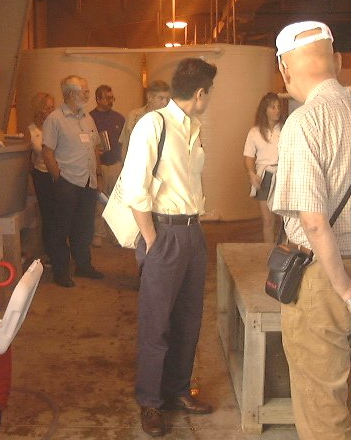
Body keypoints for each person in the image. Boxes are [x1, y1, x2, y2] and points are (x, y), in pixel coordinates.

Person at [272, 20, 351, 440]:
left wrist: (345, 289)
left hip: (324, 280)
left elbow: (313, 221)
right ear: (338, 61)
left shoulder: (303, 124)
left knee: (321, 403)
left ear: (284, 68)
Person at [121, 58, 217, 437]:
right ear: (200, 93)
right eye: (209, 92)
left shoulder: (192, 128)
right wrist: (152, 241)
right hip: (164, 233)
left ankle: (177, 391)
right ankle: (150, 400)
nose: (209, 98)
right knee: (156, 323)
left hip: (193, 234)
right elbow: (134, 188)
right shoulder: (154, 124)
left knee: (189, 320)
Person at [42, 75, 104, 288]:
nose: (88, 95)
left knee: (84, 227)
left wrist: (98, 174)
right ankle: (61, 272)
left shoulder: (87, 118)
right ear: (70, 94)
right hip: (67, 182)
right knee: (61, 229)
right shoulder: (55, 119)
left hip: (88, 183)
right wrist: (58, 178)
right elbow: (47, 152)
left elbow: (95, 147)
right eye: (84, 91)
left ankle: (83, 266)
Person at [243, 92, 283, 242]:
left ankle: (287, 256)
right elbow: (248, 156)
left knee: (287, 222)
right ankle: (269, 254)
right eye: (272, 107)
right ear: (264, 110)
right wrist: (252, 174)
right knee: (268, 221)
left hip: (283, 175)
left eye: (278, 107)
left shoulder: (285, 129)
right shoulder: (254, 132)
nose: (277, 110)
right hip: (265, 176)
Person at [89, 85, 125, 246]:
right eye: (107, 98)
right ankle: (98, 234)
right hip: (99, 166)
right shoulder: (89, 119)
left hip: (116, 165)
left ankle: (115, 233)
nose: (111, 101)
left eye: (112, 98)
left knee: (116, 201)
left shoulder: (119, 118)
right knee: (99, 201)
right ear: (98, 99)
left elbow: (124, 143)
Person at [28, 92, 55, 264]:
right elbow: (26, 159)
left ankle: (59, 249)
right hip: (41, 176)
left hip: (59, 173)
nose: (51, 111)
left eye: (53, 107)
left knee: (60, 214)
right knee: (48, 215)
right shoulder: (31, 131)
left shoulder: (56, 126)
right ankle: (50, 252)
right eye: (48, 107)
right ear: (39, 110)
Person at [119, 80, 171, 160]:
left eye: (167, 99)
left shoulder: (170, 120)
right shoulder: (134, 116)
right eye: (161, 98)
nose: (165, 102)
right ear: (149, 97)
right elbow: (125, 145)